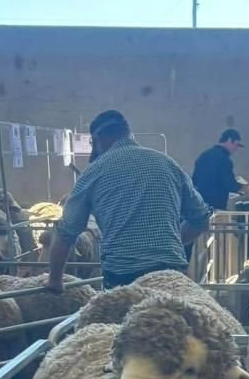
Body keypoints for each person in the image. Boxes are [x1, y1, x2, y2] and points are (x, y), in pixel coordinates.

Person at [48, 109, 210, 290]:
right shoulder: (168, 164)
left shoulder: (93, 173)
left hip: (122, 279)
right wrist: (172, 242)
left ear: (98, 138)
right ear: (127, 133)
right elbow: (201, 219)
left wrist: (55, 280)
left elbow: (65, 232)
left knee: (122, 317)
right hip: (171, 276)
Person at [191, 129, 249, 211]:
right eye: (236, 145)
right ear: (230, 140)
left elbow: (194, 180)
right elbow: (230, 185)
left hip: (199, 207)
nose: (236, 149)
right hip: (216, 209)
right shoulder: (224, 160)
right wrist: (247, 186)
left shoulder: (204, 155)